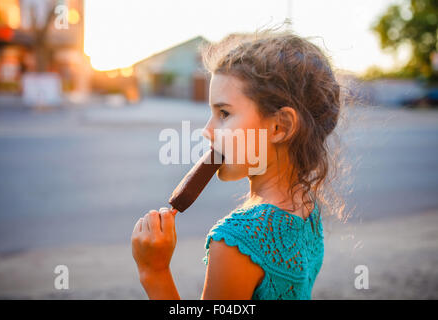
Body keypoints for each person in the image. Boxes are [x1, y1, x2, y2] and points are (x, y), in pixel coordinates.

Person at [131, 27, 342, 300]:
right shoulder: (306, 206)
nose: (207, 130)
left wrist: (154, 271)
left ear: (280, 126)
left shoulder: (236, 241)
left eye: (224, 113)